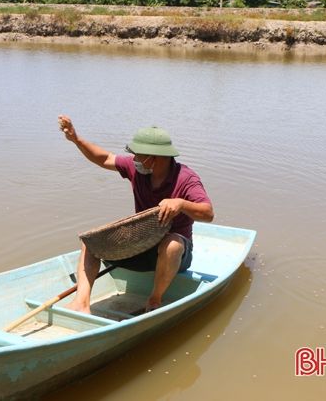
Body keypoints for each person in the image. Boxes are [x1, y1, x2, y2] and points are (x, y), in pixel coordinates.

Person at [58, 114, 214, 313]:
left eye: (139, 155)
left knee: (172, 244)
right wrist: (76, 139)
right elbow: (104, 158)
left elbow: (208, 213)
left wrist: (181, 204)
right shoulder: (136, 168)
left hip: (176, 255)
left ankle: (155, 299)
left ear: (154, 158)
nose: (135, 159)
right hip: (141, 245)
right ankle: (81, 303)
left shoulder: (186, 179)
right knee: (90, 241)